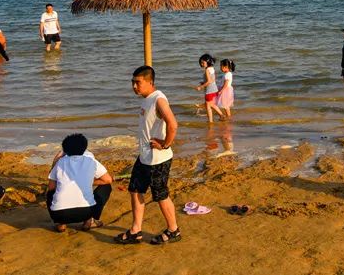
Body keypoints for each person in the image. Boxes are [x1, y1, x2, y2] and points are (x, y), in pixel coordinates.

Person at [114, 65, 181, 245]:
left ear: (150, 82)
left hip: (158, 159)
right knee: (135, 190)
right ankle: (136, 231)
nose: (135, 86)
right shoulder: (146, 99)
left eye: (138, 82)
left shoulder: (158, 99)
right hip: (144, 156)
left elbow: (173, 125)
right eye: (133, 82)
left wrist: (165, 144)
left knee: (160, 195)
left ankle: (173, 230)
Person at [46, 134, 113, 232]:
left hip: (59, 214)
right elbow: (108, 180)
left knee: (51, 193)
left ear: (65, 150)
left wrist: (56, 160)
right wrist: (88, 182)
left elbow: (51, 187)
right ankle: (88, 221)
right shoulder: (91, 161)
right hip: (87, 212)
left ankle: (61, 224)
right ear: (85, 148)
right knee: (107, 187)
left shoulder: (60, 162)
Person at [195, 54, 220, 123]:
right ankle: (221, 115)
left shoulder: (207, 70)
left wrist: (201, 87)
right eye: (201, 63)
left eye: (203, 63)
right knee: (211, 104)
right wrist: (204, 82)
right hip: (214, 89)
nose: (202, 64)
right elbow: (213, 80)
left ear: (208, 62)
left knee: (208, 106)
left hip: (209, 90)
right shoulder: (212, 68)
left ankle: (210, 121)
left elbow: (209, 81)